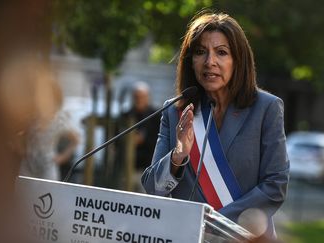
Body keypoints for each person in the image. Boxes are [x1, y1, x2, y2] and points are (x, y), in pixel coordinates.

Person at [141, 12, 289, 240]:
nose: (210, 61)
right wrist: (179, 155)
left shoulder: (265, 108)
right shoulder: (175, 111)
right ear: (190, 60)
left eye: (221, 52)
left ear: (238, 60)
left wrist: (212, 226)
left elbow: (275, 186)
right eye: (201, 52)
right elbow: (154, 189)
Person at [116, 81, 160, 190]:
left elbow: (159, 139)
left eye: (142, 97)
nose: (139, 100)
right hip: (127, 168)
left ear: (148, 97)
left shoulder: (156, 115)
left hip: (147, 168)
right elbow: (116, 138)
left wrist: (143, 140)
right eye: (136, 97)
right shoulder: (126, 115)